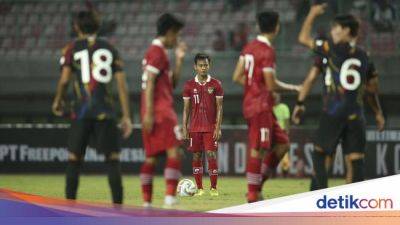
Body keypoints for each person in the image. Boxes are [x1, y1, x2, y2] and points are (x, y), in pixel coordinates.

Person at [296, 4, 385, 190]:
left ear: (346, 30)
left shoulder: (329, 48)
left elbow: (303, 38)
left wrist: (312, 13)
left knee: (321, 154)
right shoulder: (365, 57)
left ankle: (317, 200)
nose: (332, 31)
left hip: (333, 112)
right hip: (356, 115)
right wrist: (378, 113)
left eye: (336, 28)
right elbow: (371, 90)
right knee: (355, 159)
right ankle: (353, 208)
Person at [52, 10, 132, 204]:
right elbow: (121, 85)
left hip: (81, 112)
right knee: (112, 159)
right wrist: (126, 116)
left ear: (76, 27)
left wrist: (57, 101)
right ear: (98, 26)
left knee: (74, 159)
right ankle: (119, 210)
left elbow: (64, 80)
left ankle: (70, 207)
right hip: (105, 111)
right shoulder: (111, 48)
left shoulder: (71, 48)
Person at [232, 11, 301, 202]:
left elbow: (237, 76)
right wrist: (294, 88)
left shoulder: (249, 48)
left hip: (259, 105)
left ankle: (257, 185)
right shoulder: (267, 50)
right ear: (277, 26)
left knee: (283, 144)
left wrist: (255, 85)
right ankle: (253, 194)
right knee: (258, 149)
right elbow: (271, 84)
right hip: (259, 106)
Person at [139, 13, 186, 208]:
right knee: (174, 151)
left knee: (151, 156)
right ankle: (169, 198)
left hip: (153, 110)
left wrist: (179, 60)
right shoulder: (157, 52)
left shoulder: (158, 53)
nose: (177, 40)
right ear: (169, 32)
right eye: (176, 35)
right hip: (160, 111)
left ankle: (147, 203)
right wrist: (150, 113)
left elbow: (171, 83)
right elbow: (149, 82)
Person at [182, 53, 224, 197]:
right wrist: (184, 127)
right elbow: (186, 108)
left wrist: (218, 127)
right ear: (195, 67)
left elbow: (220, 108)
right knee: (196, 156)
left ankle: (213, 188)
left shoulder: (216, 84)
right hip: (194, 127)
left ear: (209, 65)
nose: (203, 68)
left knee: (211, 154)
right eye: (200, 65)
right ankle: (199, 188)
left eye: (205, 65)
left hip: (210, 127)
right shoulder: (188, 85)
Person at [272, 93, 291, 177]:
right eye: (274, 97)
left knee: (284, 155)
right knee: (272, 154)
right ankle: (272, 173)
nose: (276, 99)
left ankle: (285, 172)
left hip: (282, 132)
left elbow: (286, 120)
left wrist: (287, 131)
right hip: (272, 133)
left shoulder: (284, 107)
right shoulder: (269, 107)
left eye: (277, 97)